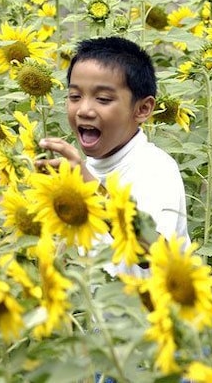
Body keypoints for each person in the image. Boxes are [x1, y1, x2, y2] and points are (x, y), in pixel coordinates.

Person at [38, 36, 190, 275]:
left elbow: (152, 252)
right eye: (75, 96)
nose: (84, 110)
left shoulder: (156, 169)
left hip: (147, 311)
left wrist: (87, 184)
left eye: (103, 99)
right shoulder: (77, 170)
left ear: (142, 109)